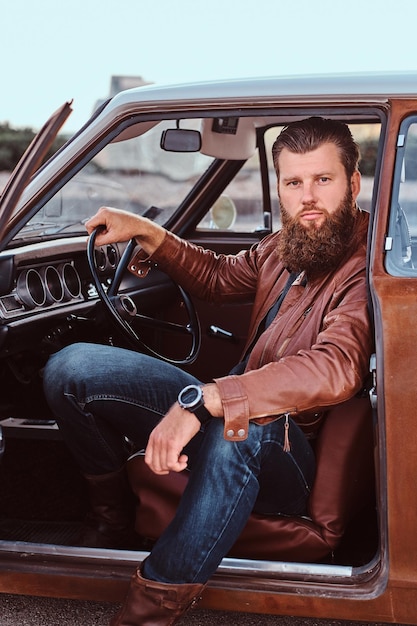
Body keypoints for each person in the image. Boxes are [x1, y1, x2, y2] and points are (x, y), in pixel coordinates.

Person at [43, 117, 373, 626]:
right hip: (231, 407)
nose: (308, 198)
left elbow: (337, 366)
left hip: (289, 448)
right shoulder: (286, 246)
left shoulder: (368, 263)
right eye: (294, 183)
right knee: (71, 368)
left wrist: (205, 400)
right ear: (281, 189)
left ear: (353, 183)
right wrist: (147, 231)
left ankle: (147, 611)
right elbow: (219, 279)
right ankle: (110, 522)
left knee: (234, 434)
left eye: (323, 180)